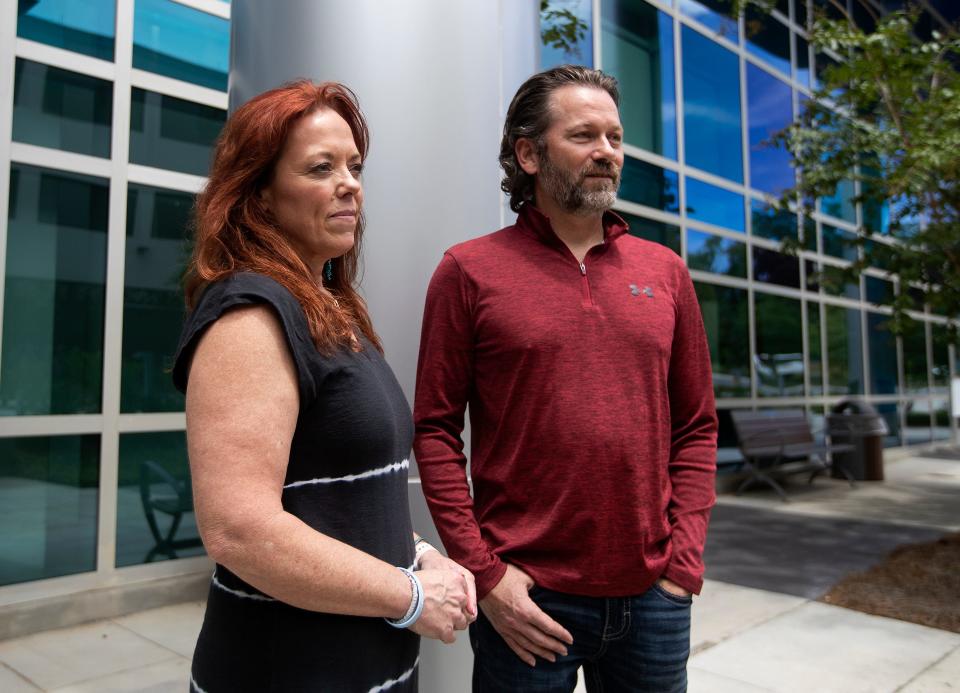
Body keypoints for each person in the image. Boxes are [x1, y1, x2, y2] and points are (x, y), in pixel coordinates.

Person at [413, 65, 717, 692]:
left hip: (653, 598)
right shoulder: (469, 272)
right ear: (529, 153)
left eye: (615, 137)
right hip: (528, 600)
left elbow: (697, 426)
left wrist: (683, 563)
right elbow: (436, 432)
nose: (607, 152)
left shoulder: (665, 273)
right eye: (584, 136)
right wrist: (487, 575)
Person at [173, 80, 476, 693]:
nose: (350, 184)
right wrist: (411, 595)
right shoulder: (250, 314)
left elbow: (336, 493)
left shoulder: (329, 307)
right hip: (288, 668)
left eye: (354, 165)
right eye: (321, 167)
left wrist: (415, 550)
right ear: (258, 194)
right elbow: (239, 529)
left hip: (364, 662)